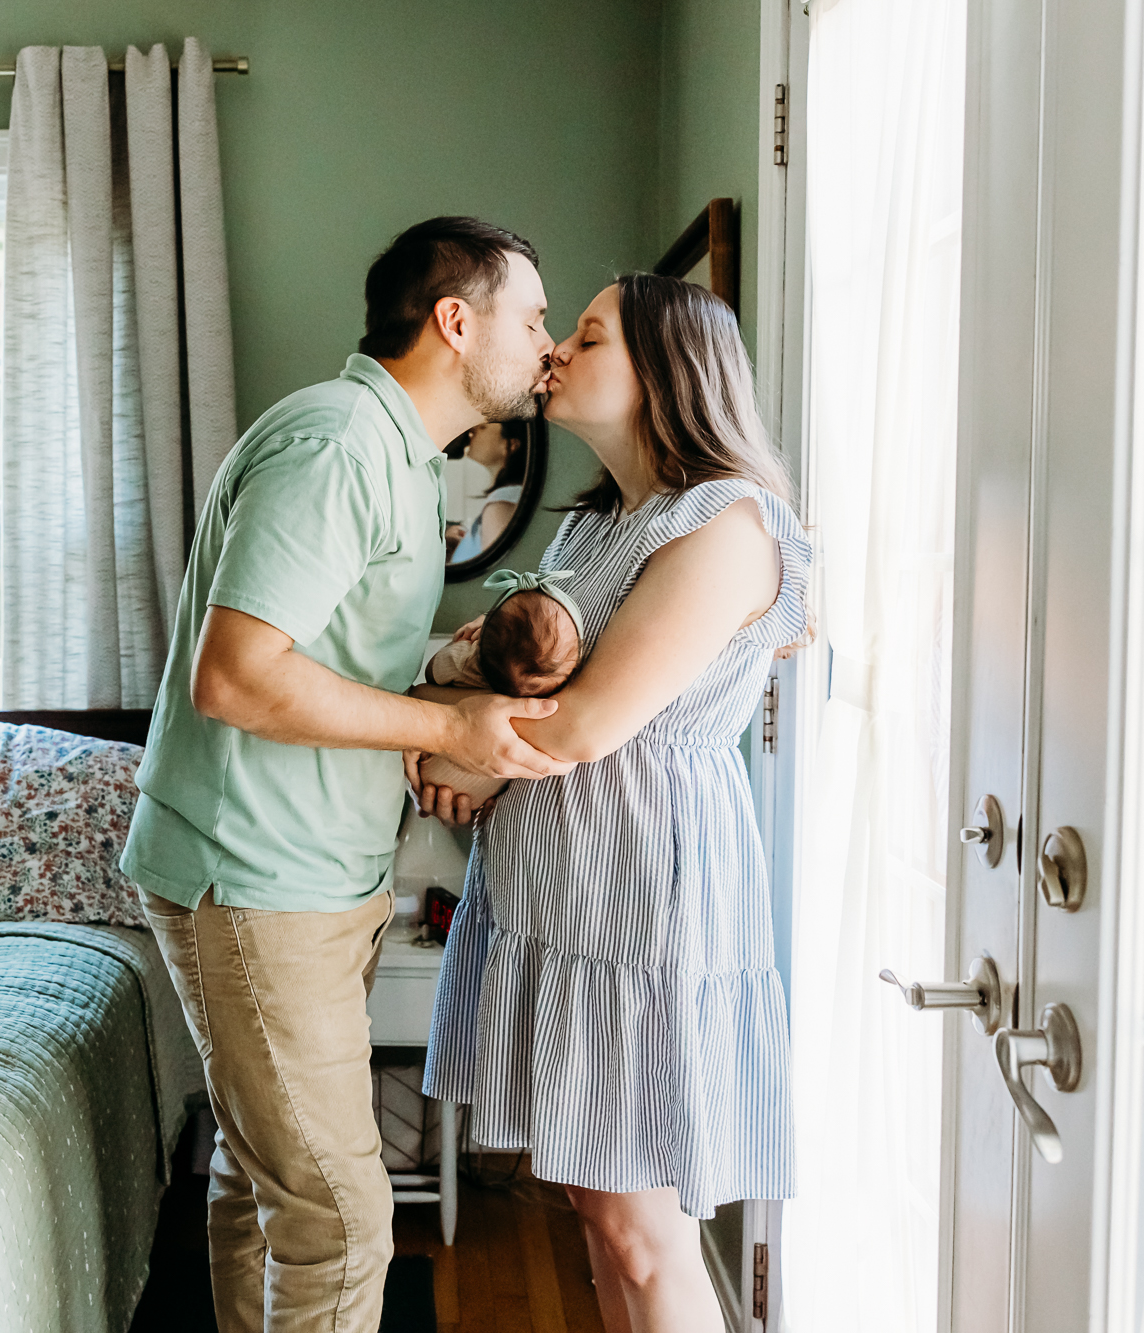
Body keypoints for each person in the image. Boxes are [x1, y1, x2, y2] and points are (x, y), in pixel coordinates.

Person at [120, 216, 566, 1333]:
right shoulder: (334, 446)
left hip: (310, 872)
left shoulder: (403, 463)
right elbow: (237, 676)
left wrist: (447, 665)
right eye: (533, 316)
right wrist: (444, 730)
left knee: (258, 1184)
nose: (546, 341)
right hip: (258, 875)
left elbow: (324, 654)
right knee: (343, 1219)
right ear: (455, 322)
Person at [413, 274, 811, 1333]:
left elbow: (583, 726)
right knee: (597, 1215)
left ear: (664, 374)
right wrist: (465, 721)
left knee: (642, 1234)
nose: (554, 353)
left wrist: (468, 761)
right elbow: (506, 681)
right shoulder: (595, 526)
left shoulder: (724, 522)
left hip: (639, 896)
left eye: (584, 337)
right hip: (559, 892)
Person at [419, 569, 587, 802]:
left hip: (429, 770)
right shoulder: (546, 704)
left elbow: (433, 672)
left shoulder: (465, 661)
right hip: (477, 794)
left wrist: (459, 645)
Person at [445, 418, 529, 561]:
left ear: (511, 445)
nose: (472, 431)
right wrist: (463, 546)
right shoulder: (508, 499)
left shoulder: (501, 505)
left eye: (483, 427)